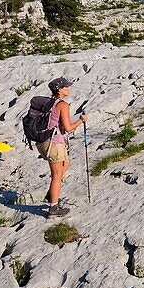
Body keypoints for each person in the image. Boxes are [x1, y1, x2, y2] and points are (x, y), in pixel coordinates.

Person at [38, 76, 88, 217]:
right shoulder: (63, 105)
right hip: (53, 144)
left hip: (43, 142)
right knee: (56, 176)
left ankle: (52, 194)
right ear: (59, 90)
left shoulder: (49, 103)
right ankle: (53, 209)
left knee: (66, 163)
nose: (69, 88)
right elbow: (68, 128)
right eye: (66, 87)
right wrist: (80, 120)